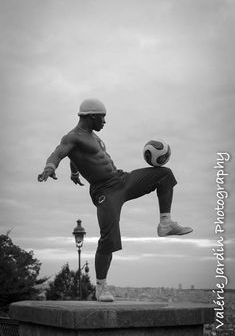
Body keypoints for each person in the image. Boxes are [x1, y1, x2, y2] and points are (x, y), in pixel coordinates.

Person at [38, 98, 193, 302]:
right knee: (108, 238)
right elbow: (60, 152)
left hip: (121, 179)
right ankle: (101, 286)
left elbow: (74, 157)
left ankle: (166, 223)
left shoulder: (94, 137)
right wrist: (50, 167)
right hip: (105, 191)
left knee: (164, 174)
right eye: (103, 118)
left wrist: (74, 172)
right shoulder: (73, 137)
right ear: (92, 116)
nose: (105, 122)